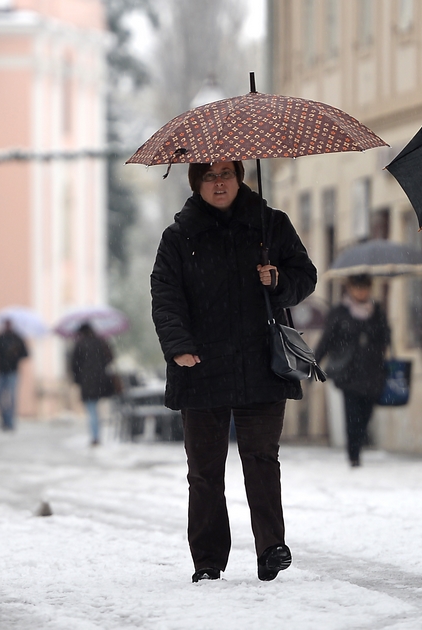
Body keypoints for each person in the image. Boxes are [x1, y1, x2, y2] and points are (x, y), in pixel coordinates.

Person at [151, 159, 318, 584]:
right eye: (209, 176)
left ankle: (270, 549)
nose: (219, 183)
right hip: (200, 366)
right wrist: (179, 347)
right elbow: (165, 295)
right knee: (205, 470)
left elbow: (305, 276)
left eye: (226, 174)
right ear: (197, 183)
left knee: (262, 460)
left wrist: (277, 280)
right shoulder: (178, 236)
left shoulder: (270, 225)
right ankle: (207, 559)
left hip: (260, 363)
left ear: (240, 177)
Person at [314, 274, 391, 467]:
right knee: (352, 413)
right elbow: (327, 340)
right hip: (348, 371)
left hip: (372, 370)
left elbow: (386, 336)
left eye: (364, 287)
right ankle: (354, 454)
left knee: (366, 412)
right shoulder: (339, 312)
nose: (361, 291)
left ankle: (359, 442)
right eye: (357, 287)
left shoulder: (377, 311)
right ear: (349, 288)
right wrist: (313, 364)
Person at [68, 322, 116, 446]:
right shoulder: (101, 342)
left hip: (86, 381)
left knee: (91, 410)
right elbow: (110, 358)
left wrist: (77, 379)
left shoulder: (79, 344)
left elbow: (74, 365)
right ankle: (97, 435)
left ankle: (95, 436)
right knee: (96, 409)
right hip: (100, 380)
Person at [0, 320, 30, 431]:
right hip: (0, 371)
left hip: (13, 372)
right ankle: (4, 419)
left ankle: (10, 421)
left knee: (12, 397)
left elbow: (26, 354)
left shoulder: (17, 339)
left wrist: (15, 353)